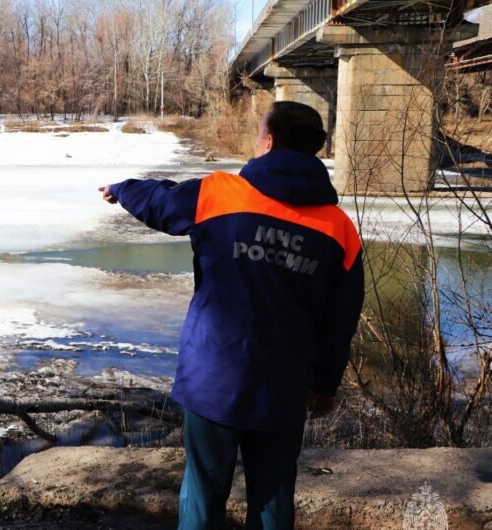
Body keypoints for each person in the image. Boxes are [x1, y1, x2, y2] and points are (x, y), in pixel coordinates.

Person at [100, 101, 364, 530]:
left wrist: (122, 188)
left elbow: (161, 201)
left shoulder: (220, 193)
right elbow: (341, 320)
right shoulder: (340, 228)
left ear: (269, 142)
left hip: (213, 378)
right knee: (273, 499)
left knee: (204, 493)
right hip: (285, 386)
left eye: (258, 133)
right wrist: (325, 386)